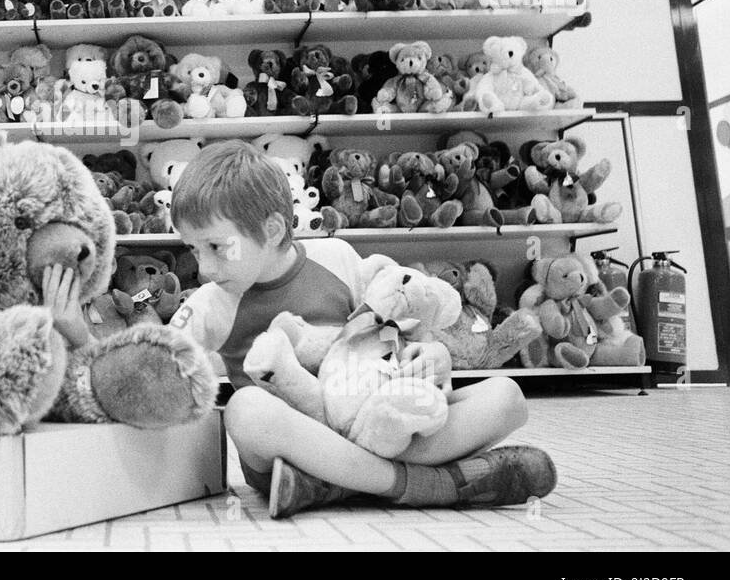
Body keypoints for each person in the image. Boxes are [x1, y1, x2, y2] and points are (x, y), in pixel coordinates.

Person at [169, 140, 556, 518]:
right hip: (293, 446)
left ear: (271, 230)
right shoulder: (209, 303)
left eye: (216, 247)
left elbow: (401, 319)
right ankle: (428, 485)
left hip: (379, 419)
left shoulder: (336, 257)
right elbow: (162, 358)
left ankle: (336, 484)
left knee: (508, 397)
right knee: (244, 410)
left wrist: (434, 354)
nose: (204, 268)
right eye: (193, 249)